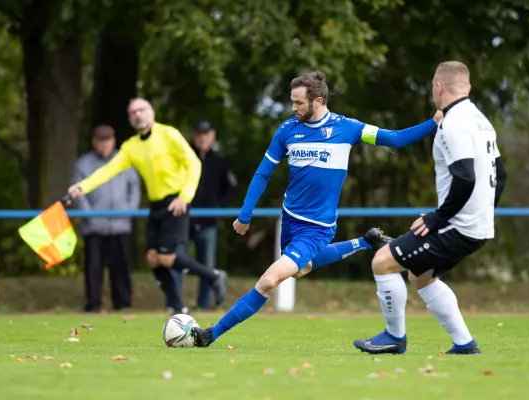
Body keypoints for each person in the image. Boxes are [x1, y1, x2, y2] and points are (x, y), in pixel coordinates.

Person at [190, 71, 443, 347]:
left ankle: (210, 335)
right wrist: (245, 214)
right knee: (302, 268)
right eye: (292, 102)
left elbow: (395, 139)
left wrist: (433, 123)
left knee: (268, 280)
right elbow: (263, 174)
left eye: (298, 103)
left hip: (317, 228)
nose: (293, 108)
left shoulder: (349, 129)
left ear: (318, 100)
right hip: (290, 221)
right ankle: (365, 241)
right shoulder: (287, 130)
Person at [353, 61, 507, 355]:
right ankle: (464, 343)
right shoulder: (480, 121)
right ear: (468, 88)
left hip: (457, 225)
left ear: (437, 88)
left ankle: (394, 337)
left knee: (382, 262)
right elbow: (501, 175)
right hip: (476, 226)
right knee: (421, 276)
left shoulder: (453, 123)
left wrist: (439, 217)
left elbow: (464, 176)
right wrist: (483, 213)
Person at [67, 98, 228, 315]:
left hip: (176, 201)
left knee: (166, 257)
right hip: (156, 204)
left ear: (151, 112)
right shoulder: (130, 147)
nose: (138, 114)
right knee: (153, 258)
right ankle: (179, 307)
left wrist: (184, 197)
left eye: (142, 110)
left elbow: (193, 163)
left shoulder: (168, 134)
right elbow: (107, 171)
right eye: (133, 112)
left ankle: (213, 276)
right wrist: (81, 187)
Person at [71, 125, 140, 313]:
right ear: (94, 142)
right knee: (94, 269)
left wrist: (129, 211)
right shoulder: (83, 164)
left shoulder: (124, 161)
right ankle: (93, 305)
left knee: (121, 268)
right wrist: (88, 215)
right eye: (100, 140)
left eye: (107, 140)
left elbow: (134, 187)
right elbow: (78, 191)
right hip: (94, 227)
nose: (104, 144)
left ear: (113, 141)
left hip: (120, 225)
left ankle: (123, 304)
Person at [169, 120, 237, 311]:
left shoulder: (220, 160)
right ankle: (174, 304)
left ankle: (204, 304)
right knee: (177, 261)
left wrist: (218, 206)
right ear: (194, 136)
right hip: (182, 219)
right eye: (199, 134)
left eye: (206, 134)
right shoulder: (184, 157)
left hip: (207, 221)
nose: (202, 138)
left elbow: (230, 187)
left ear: (212, 136)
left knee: (207, 265)